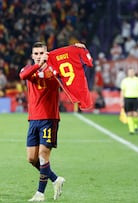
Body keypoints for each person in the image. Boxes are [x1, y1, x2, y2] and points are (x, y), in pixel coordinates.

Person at [19, 42, 90, 202]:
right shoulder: (27, 70)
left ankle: (40, 193)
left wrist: (76, 49)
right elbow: (23, 76)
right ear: (32, 55)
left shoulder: (54, 72)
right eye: (36, 54)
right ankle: (55, 179)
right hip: (33, 119)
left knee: (44, 156)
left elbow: (73, 71)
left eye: (41, 53)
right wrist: (40, 64)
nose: (38, 56)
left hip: (49, 118)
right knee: (32, 159)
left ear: (47, 53)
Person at [120, 68, 138, 135]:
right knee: (129, 114)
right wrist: (121, 100)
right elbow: (122, 91)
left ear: (134, 72)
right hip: (127, 98)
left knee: (135, 114)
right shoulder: (125, 81)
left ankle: (136, 126)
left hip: (136, 98)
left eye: (132, 72)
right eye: (129, 72)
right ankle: (131, 130)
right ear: (128, 73)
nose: (131, 73)